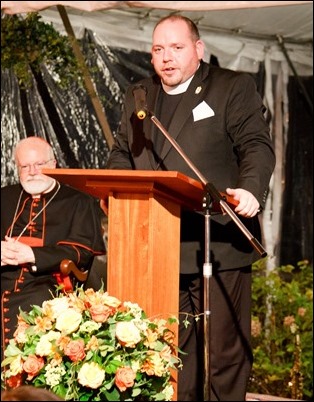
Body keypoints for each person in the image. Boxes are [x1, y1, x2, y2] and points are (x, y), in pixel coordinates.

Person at [106, 15, 276, 401]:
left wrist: (250, 190)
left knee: (221, 354)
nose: (166, 58)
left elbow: (256, 145)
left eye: (176, 48)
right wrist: (116, 190)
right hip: (156, 245)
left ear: (198, 49)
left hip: (213, 237)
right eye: (158, 49)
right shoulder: (139, 95)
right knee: (167, 353)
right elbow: (121, 155)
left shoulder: (230, 87)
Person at [1, 136, 106, 360]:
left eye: (39, 164)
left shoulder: (79, 200)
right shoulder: (5, 197)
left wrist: (32, 255)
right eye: (25, 166)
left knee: (39, 302)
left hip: (48, 283)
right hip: (3, 278)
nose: (32, 171)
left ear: (54, 164)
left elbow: (82, 252)